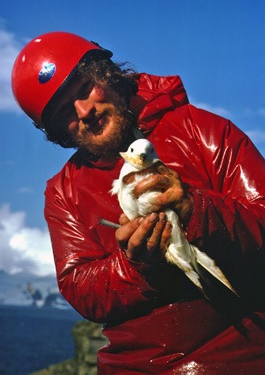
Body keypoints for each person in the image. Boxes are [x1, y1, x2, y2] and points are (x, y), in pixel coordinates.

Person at [12, 32, 265, 374]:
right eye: (64, 112)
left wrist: (195, 208)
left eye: (84, 88)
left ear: (108, 76)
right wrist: (136, 266)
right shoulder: (62, 191)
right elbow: (79, 287)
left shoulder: (205, 131)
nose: (84, 111)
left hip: (241, 356)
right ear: (58, 131)